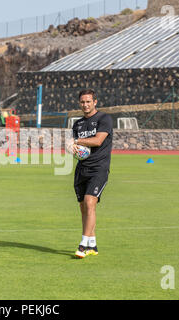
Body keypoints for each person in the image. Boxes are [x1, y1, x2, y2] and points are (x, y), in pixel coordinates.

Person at [69, 89, 113, 259]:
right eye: (82, 102)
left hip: (99, 168)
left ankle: (82, 244)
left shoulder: (104, 119)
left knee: (89, 203)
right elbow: (77, 149)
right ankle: (92, 244)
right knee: (84, 209)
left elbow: (98, 140)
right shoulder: (77, 124)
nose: (85, 105)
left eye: (88, 101)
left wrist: (77, 141)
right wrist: (72, 147)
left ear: (95, 102)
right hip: (82, 169)